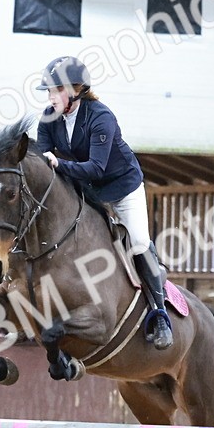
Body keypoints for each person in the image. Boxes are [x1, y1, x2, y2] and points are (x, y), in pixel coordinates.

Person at [32, 56, 173, 350]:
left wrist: (57, 163)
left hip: (122, 188)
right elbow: (45, 165)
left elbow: (96, 167)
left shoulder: (100, 117)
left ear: (75, 90)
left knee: (137, 241)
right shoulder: (48, 119)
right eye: (48, 91)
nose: (50, 98)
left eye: (55, 90)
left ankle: (160, 316)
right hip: (86, 190)